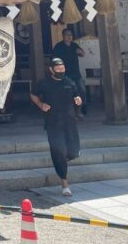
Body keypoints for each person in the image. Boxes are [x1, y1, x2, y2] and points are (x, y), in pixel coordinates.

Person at [30, 58, 82, 196]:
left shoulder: (69, 82)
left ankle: (65, 158)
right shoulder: (44, 83)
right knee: (58, 151)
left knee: (73, 151)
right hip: (53, 123)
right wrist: (41, 105)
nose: (60, 71)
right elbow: (33, 95)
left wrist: (78, 100)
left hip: (70, 121)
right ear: (51, 70)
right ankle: (64, 183)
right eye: (58, 69)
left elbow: (77, 96)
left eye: (62, 69)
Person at [52, 28, 87, 117]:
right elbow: (54, 60)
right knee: (67, 94)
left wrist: (81, 52)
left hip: (76, 74)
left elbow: (83, 54)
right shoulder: (58, 46)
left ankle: (78, 111)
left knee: (81, 92)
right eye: (67, 35)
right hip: (65, 75)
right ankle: (66, 113)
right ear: (63, 36)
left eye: (70, 35)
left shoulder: (74, 45)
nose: (69, 37)